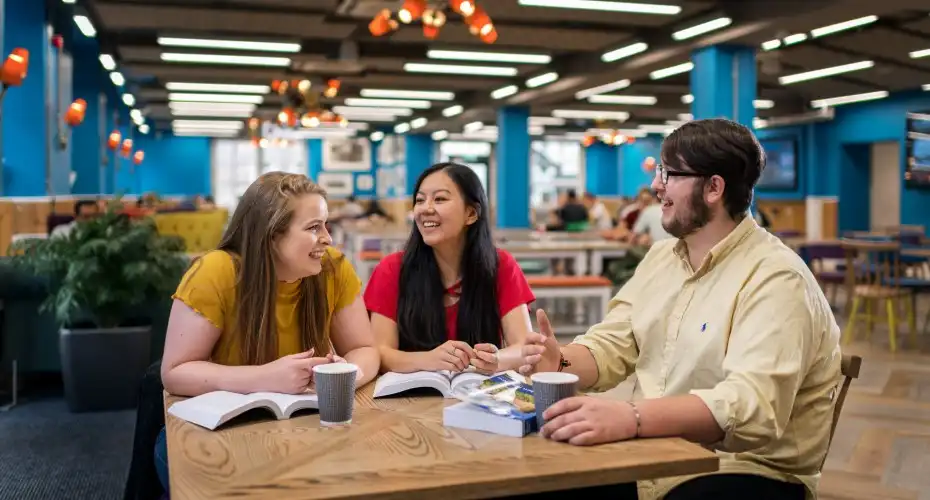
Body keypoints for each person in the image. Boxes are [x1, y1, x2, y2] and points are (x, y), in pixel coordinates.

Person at [519, 118, 842, 500]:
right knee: (537, 481)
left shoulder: (778, 277)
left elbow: (751, 408)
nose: (656, 186)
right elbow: (615, 344)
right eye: (660, 172)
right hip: (653, 454)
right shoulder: (662, 258)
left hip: (748, 470)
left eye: (670, 174)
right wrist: (561, 362)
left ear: (714, 188)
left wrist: (632, 417)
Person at [155, 172, 380, 490]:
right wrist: (263, 378)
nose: (328, 238)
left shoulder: (333, 268)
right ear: (272, 236)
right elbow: (174, 372)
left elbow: (365, 349)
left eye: (326, 224)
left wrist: (345, 375)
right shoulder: (215, 272)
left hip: (302, 429)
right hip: (216, 432)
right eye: (314, 227)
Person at [364, 162, 536, 374]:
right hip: (410, 399)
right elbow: (379, 352)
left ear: (471, 214)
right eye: (419, 200)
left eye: (440, 199)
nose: (426, 209)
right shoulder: (391, 269)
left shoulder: (500, 265)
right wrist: (428, 360)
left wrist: (496, 359)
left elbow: (524, 347)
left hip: (479, 397)